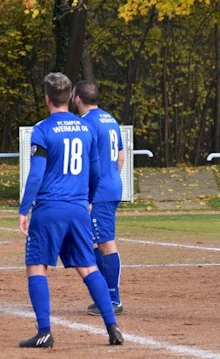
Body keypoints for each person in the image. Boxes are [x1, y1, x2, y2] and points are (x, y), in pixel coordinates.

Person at [17, 72, 123, 348]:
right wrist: (86, 198)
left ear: (47, 98)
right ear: (68, 98)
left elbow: (36, 175)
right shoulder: (86, 128)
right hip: (78, 209)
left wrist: (24, 208)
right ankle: (112, 327)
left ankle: (44, 332)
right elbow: (97, 171)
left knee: (36, 266)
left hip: (50, 209)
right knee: (88, 267)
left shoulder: (42, 129)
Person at [71, 80, 125, 316]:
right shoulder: (109, 119)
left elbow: (84, 163)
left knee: (104, 242)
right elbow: (120, 156)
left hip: (98, 192)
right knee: (94, 241)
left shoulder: (86, 124)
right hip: (112, 186)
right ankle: (105, 295)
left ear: (77, 99)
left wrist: (89, 192)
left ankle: (112, 298)